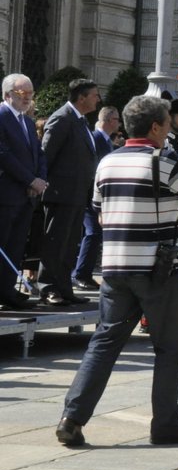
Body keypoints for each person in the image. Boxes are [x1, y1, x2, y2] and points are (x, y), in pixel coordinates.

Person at [55, 95, 178, 448]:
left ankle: (72, 418)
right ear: (156, 127)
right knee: (170, 347)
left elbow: (100, 213)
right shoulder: (163, 161)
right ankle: (165, 424)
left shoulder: (107, 163)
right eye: (166, 123)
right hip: (156, 268)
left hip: (115, 267)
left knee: (104, 344)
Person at [38, 78, 101, 306]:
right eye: (95, 95)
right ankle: (48, 288)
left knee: (69, 243)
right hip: (60, 193)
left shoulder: (80, 120)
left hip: (76, 194)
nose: (98, 99)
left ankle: (64, 288)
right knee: (55, 242)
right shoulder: (62, 118)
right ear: (81, 97)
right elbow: (45, 156)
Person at [0, 73, 47, 308]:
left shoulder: (27, 121)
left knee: (16, 246)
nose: (29, 98)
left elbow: (38, 154)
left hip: (26, 196)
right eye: (23, 94)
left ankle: (7, 291)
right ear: (8, 95)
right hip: (6, 195)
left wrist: (40, 180)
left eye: (30, 93)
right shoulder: (1, 116)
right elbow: (3, 155)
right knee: (3, 244)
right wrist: (30, 180)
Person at [72, 105, 120, 289]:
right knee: (92, 233)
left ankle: (84, 273)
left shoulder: (106, 140)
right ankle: (80, 274)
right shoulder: (96, 138)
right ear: (108, 120)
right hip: (89, 196)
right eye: (116, 119)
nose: (119, 124)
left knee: (95, 234)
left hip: (99, 196)